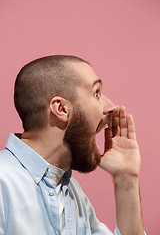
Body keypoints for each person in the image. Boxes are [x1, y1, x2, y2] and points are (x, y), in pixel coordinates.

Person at [0, 55, 146, 235]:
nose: (110, 107)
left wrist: (127, 179)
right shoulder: (3, 181)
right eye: (96, 94)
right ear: (61, 109)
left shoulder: (71, 193)